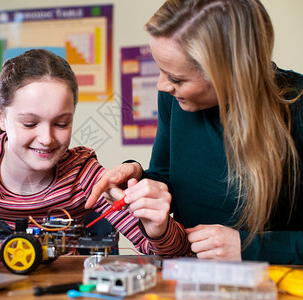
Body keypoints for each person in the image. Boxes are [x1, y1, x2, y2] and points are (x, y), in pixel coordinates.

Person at [0, 49, 191, 266]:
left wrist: (158, 229)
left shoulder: (83, 174)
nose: (47, 138)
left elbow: (170, 256)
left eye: (62, 123)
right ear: (2, 118)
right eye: (30, 124)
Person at [86, 0, 303, 264]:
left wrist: (251, 248)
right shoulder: (175, 100)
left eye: (176, 79)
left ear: (232, 72)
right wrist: (141, 180)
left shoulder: (297, 106)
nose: (162, 85)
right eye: (161, 71)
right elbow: (170, 179)